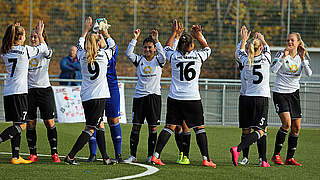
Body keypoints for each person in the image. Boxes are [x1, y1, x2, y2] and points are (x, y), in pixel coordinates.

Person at [151, 20, 216, 167]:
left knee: (169, 126)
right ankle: (206, 159)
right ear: (192, 45)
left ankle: (156, 155)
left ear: (180, 45)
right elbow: (207, 49)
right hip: (192, 98)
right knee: (199, 128)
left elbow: (167, 47)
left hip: (175, 97)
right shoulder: (198, 56)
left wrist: (174, 33)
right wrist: (199, 36)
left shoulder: (174, 56)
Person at [64, 17, 116, 165]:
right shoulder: (104, 55)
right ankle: (71, 156)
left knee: (99, 125)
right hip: (99, 96)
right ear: (98, 43)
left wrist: (86, 30)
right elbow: (112, 46)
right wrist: (105, 33)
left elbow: (79, 44)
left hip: (86, 96)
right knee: (91, 128)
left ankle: (105, 157)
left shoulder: (81, 56)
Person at [0, 20, 47, 164]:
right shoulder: (26, 50)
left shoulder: (5, 50)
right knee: (21, 126)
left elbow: (8, 43)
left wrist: (13, 30)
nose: (26, 37)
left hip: (8, 92)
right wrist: (39, 33)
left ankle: (15, 156)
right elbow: (43, 47)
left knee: (16, 123)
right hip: (20, 92)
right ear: (20, 37)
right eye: (24, 35)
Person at [230, 26, 271, 167]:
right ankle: (241, 150)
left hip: (246, 97)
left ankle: (260, 159)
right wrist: (262, 39)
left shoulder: (244, 60)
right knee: (261, 130)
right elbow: (266, 47)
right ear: (260, 48)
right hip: (260, 98)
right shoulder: (266, 58)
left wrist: (243, 40)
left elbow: (238, 53)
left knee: (247, 129)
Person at [124, 28, 165, 164]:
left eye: (150, 47)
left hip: (154, 97)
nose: (147, 49)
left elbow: (164, 56)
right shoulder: (139, 60)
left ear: (154, 49)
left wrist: (157, 41)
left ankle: (150, 155)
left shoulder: (159, 60)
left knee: (153, 127)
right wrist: (134, 38)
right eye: (145, 47)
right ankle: (132, 155)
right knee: (136, 126)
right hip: (139, 97)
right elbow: (129, 53)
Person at [270, 32, 312, 166]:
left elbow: (308, 74)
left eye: (292, 40)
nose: (290, 42)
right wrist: (283, 57)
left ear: (298, 42)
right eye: (288, 40)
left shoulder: (301, 56)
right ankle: (275, 155)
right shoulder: (280, 53)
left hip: (294, 94)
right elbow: (273, 70)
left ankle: (290, 158)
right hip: (280, 93)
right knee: (287, 124)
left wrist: (304, 59)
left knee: (296, 127)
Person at [87, 33, 123, 163]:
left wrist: (106, 34)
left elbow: (114, 47)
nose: (100, 39)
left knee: (113, 119)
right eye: (98, 38)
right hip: (97, 91)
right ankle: (93, 154)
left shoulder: (110, 53)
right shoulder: (90, 55)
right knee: (96, 122)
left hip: (111, 89)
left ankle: (118, 154)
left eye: (101, 38)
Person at [26, 27, 61, 163]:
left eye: (36, 36)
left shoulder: (46, 51)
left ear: (42, 38)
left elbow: (46, 51)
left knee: (49, 122)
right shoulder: (27, 51)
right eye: (32, 36)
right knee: (30, 123)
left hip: (45, 91)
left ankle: (54, 153)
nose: (33, 39)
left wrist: (41, 35)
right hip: (30, 91)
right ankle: (33, 153)